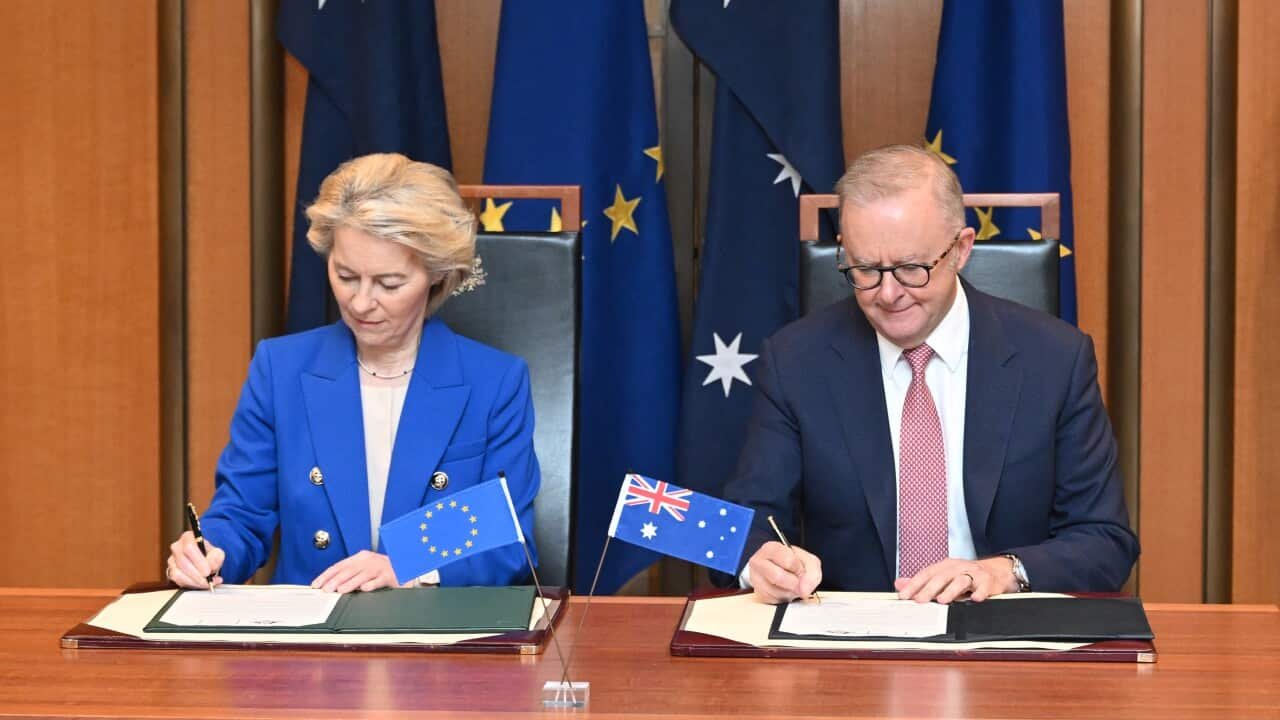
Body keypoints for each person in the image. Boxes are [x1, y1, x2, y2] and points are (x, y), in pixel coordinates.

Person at [728, 144, 1138, 604]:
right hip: (850, 642)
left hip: (1001, 634)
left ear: (961, 249)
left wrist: (1006, 572)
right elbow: (751, 518)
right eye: (865, 269)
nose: (887, 294)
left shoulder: (1055, 360)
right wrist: (757, 560)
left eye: (910, 268)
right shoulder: (796, 361)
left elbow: (1105, 540)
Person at [165, 153, 540, 592]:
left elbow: (507, 540)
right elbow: (243, 514)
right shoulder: (281, 368)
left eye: (389, 283)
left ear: (437, 276)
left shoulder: (494, 382)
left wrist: (401, 561)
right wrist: (210, 551)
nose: (361, 303)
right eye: (345, 275)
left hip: (432, 640)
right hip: (308, 641)